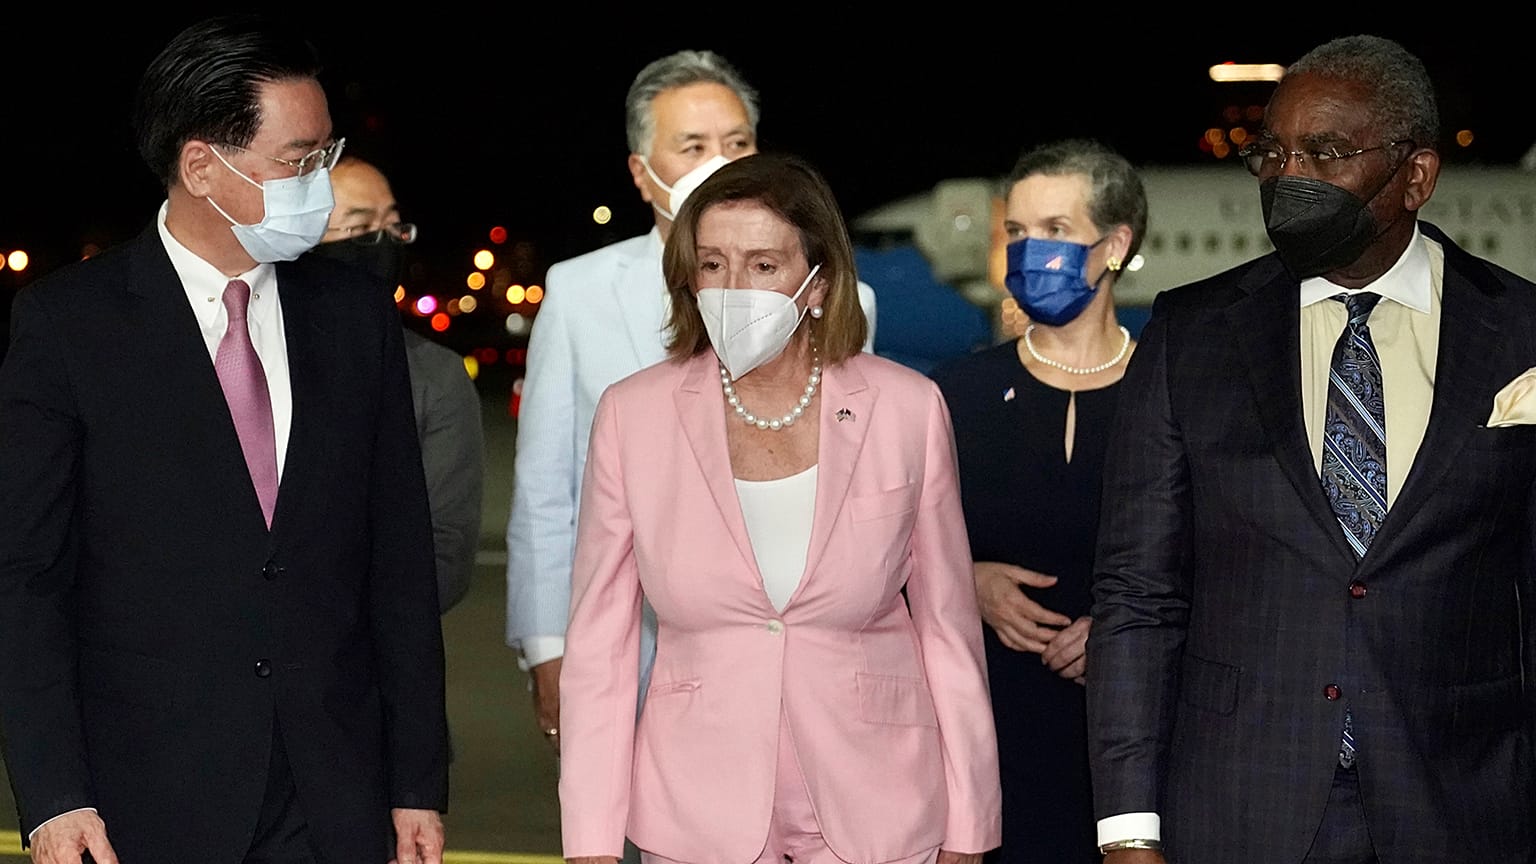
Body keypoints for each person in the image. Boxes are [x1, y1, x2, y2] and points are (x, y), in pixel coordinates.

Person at [0, 14, 449, 864]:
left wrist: (416, 782)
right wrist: (55, 794)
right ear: (202, 166)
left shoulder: (354, 321)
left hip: (335, 790)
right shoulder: (70, 327)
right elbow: (28, 578)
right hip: (144, 796)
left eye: (326, 152)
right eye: (298, 160)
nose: (321, 179)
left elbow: (398, 563)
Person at [1085, 35, 1536, 864]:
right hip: (1239, 806)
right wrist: (1126, 830)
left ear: (1416, 177)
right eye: (1274, 153)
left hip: (1462, 807)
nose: (1290, 179)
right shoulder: (1193, 335)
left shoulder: (1519, 332)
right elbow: (1138, 595)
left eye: (1325, 154)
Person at [557, 152, 999, 864]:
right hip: (697, 809)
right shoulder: (632, 416)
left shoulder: (907, 410)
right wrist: (590, 844)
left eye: (763, 266)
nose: (734, 288)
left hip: (881, 802)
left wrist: (971, 824)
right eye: (712, 265)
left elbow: (949, 629)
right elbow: (600, 651)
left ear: (818, 283)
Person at [504, 49, 878, 752]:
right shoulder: (581, 293)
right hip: (633, 646)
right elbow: (547, 490)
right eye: (694, 147)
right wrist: (547, 647)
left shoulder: (842, 302)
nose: (721, 163)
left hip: (794, 649)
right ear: (642, 174)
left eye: (737, 144)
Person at [930, 138, 1146, 864]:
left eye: (1055, 230)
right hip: (990, 738)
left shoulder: (1174, 393)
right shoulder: (956, 394)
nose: (1029, 252)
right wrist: (968, 580)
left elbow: (1231, 556)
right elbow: (889, 553)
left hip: (1134, 744)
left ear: (1114, 244)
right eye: (1017, 232)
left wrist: (1129, 632)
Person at [311, 154, 486, 615]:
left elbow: (444, 554)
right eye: (358, 225)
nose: (383, 242)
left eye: (392, 226)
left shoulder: (435, 377)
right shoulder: (249, 360)